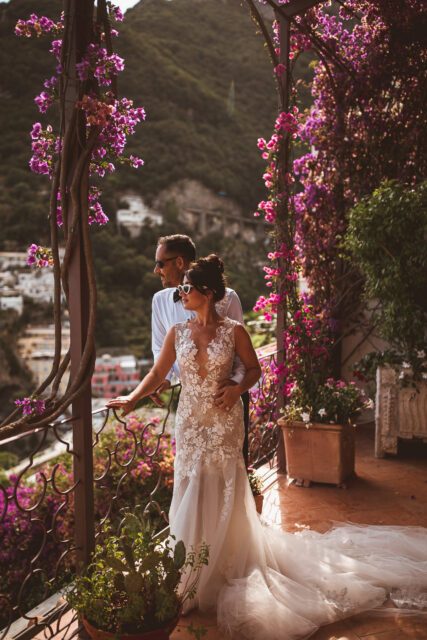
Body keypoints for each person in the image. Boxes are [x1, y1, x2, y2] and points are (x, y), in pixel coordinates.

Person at [107, 256, 427, 640]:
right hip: (191, 422)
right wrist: (131, 399)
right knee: (191, 486)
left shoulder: (235, 331)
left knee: (226, 486)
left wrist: (237, 389)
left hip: (225, 420)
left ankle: (225, 565)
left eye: (186, 288)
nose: (180, 294)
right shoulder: (178, 332)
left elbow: (254, 369)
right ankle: (188, 570)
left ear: (206, 292)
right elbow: (158, 373)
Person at [151, 234, 250, 464]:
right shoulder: (159, 301)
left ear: (179, 262)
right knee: (193, 470)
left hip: (227, 398)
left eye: (160, 263)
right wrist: (163, 377)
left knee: (230, 468)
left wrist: (235, 386)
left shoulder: (228, 298)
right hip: (191, 404)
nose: (156, 270)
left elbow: (242, 354)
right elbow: (159, 347)